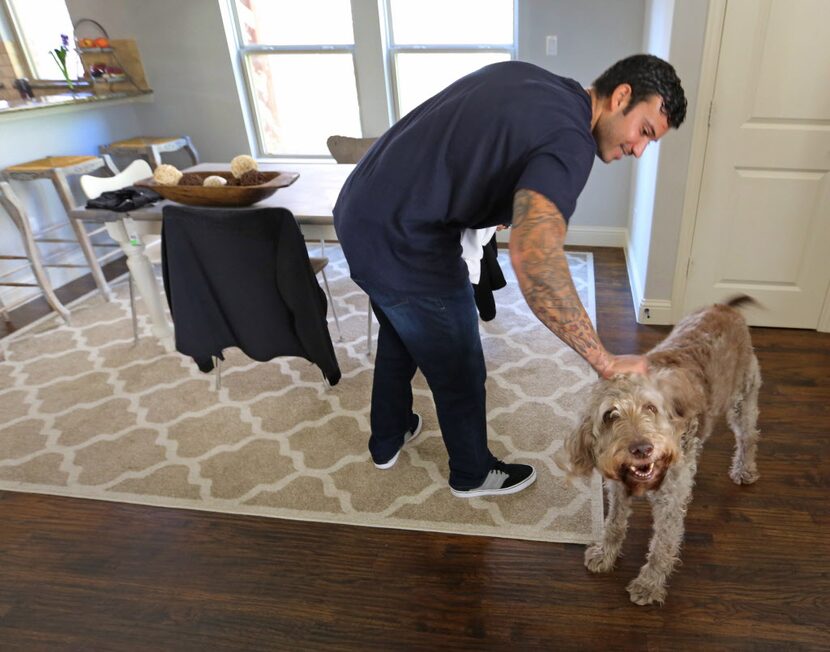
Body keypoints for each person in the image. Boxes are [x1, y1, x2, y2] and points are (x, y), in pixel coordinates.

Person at [333, 54, 687, 498]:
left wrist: (493, 202)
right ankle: (471, 473)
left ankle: (388, 436)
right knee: (459, 362)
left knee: (400, 328)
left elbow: (478, 148)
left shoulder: (534, 79)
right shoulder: (571, 141)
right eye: (645, 132)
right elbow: (536, 260)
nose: (638, 149)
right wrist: (603, 359)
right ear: (621, 97)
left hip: (358, 212)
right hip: (408, 241)